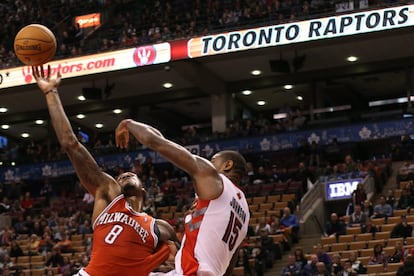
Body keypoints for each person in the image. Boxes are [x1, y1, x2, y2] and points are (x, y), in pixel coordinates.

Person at [31, 65, 178, 275]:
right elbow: (71, 144)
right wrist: (50, 93)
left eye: (130, 175)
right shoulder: (108, 194)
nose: (124, 174)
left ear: (144, 191)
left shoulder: (160, 227)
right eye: (119, 176)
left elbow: (187, 261)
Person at [115, 118, 250, 275]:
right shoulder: (245, 213)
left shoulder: (216, 181)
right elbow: (228, 268)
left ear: (227, 165)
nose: (209, 164)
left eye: (213, 160)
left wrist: (128, 124)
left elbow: (158, 142)